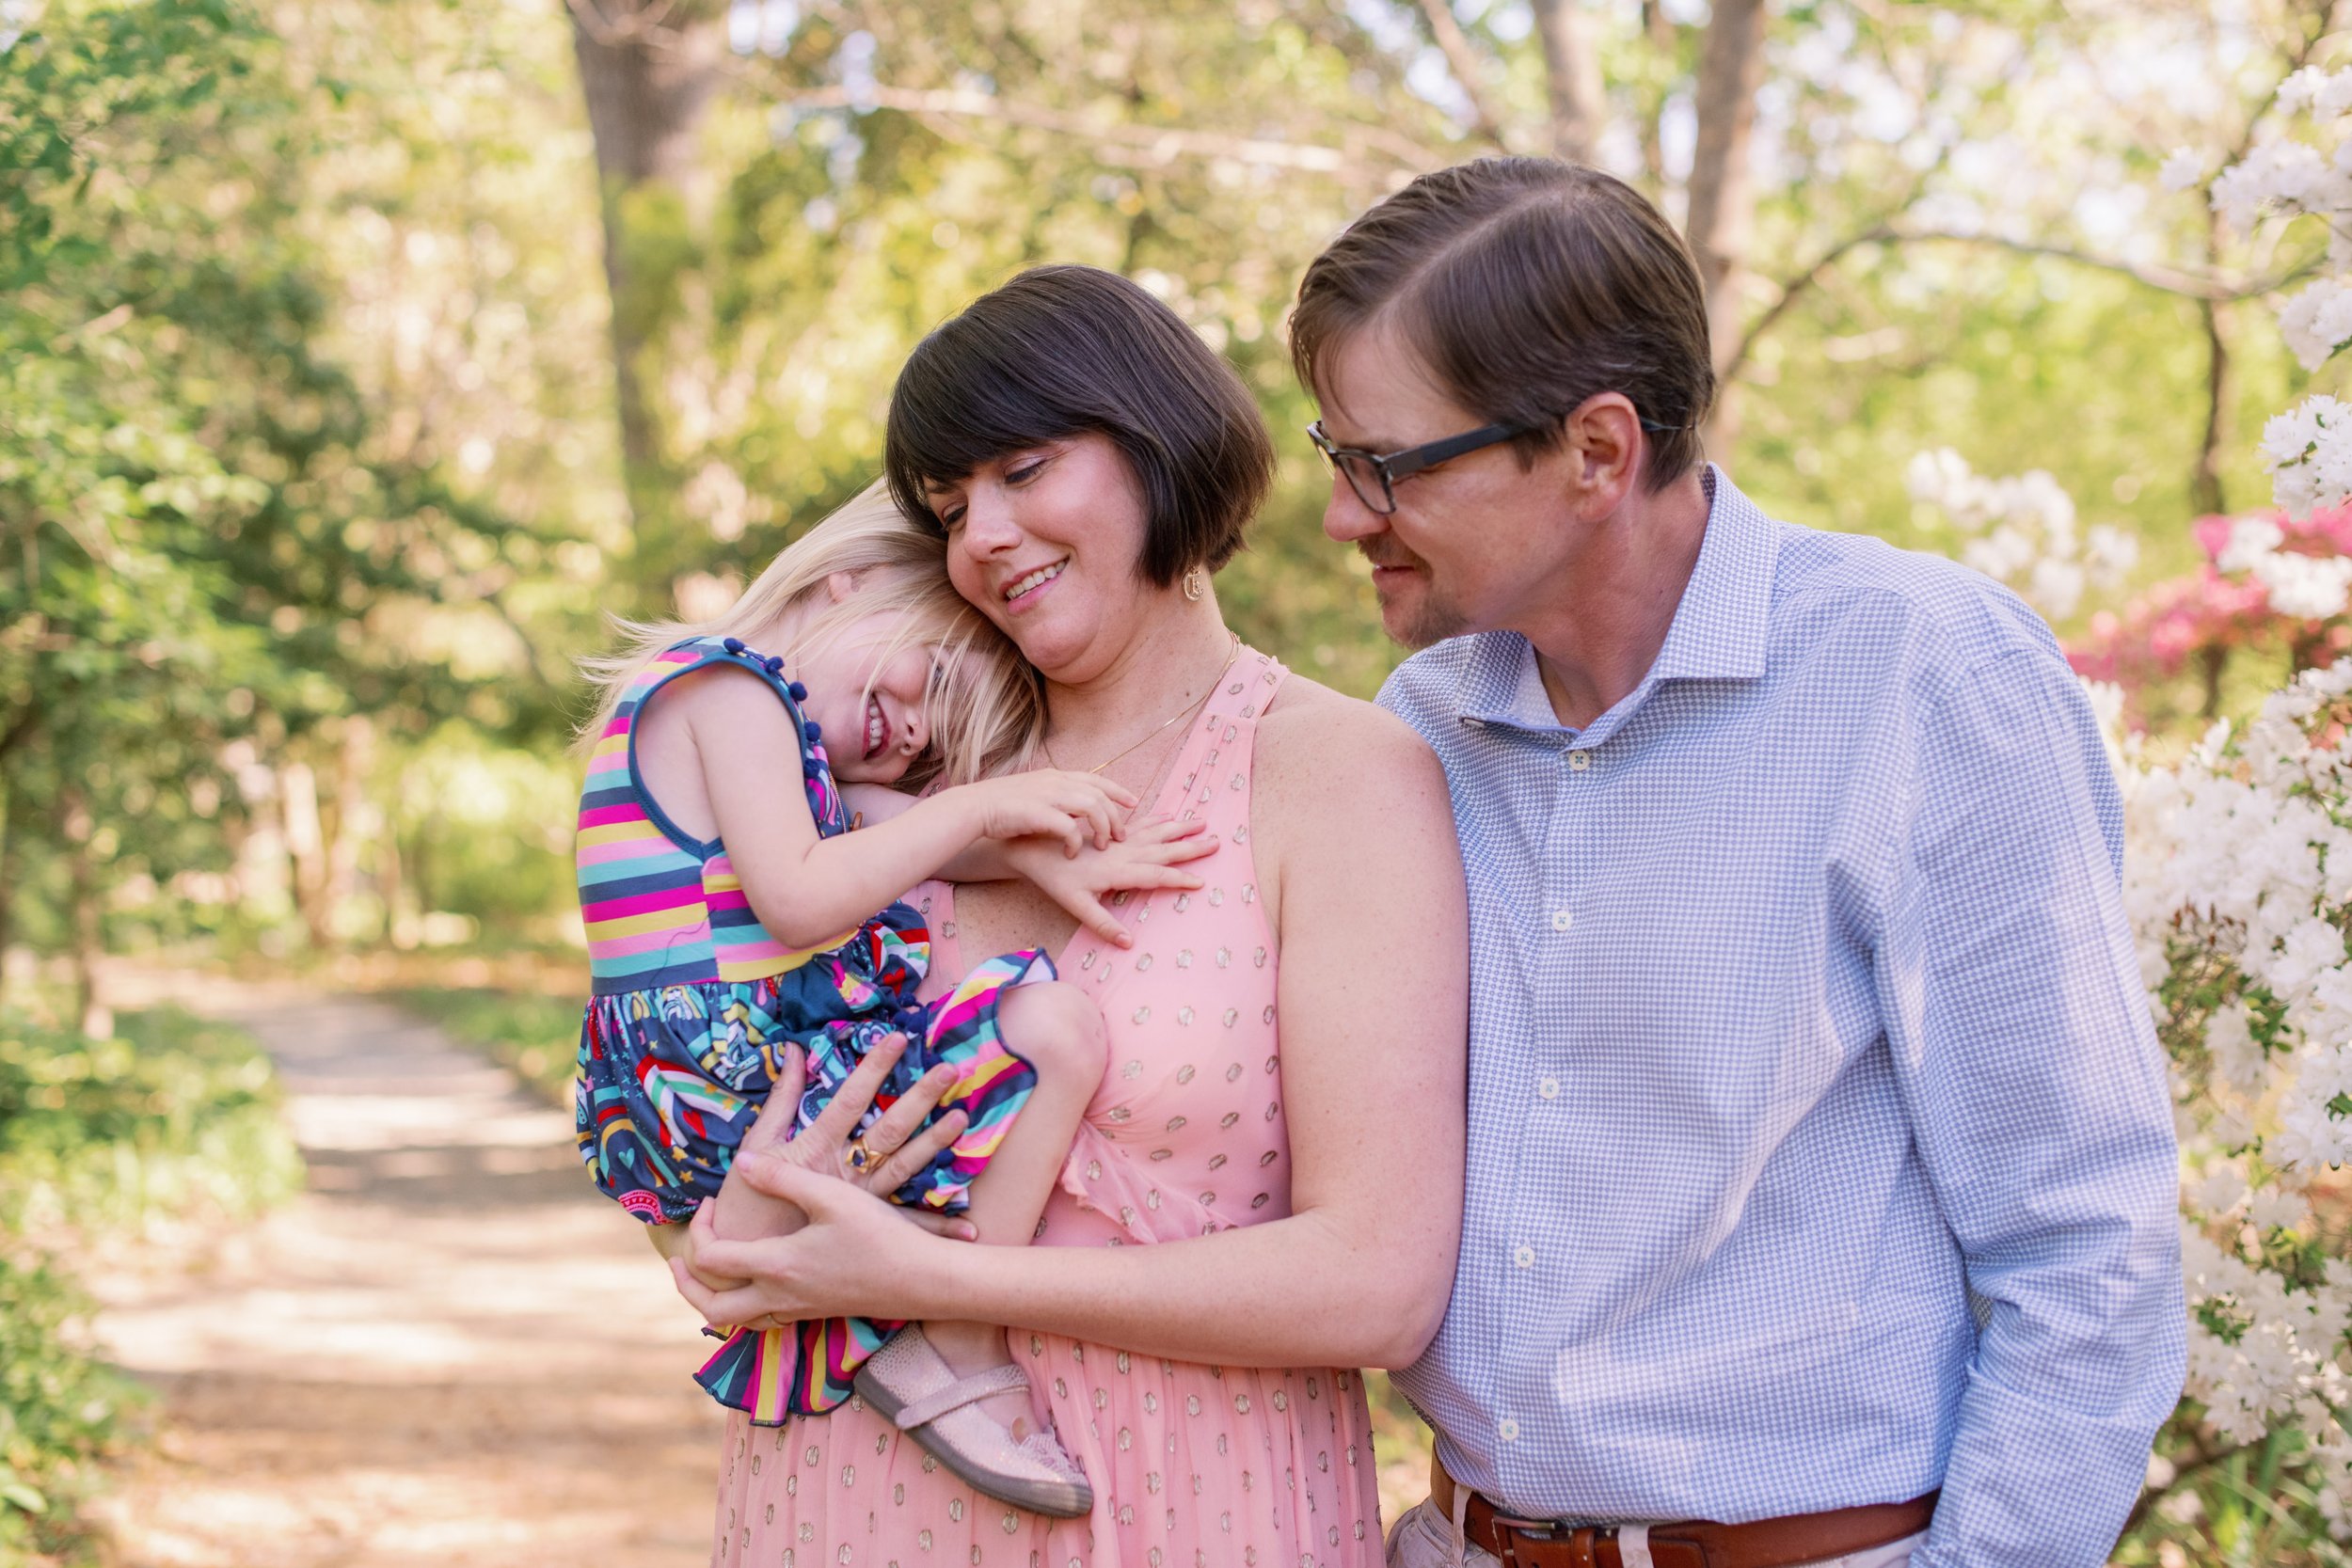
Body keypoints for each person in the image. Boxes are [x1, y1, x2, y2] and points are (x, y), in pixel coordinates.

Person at [1287, 156, 2185, 1568]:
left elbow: (2087, 1244)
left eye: (1382, 464)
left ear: (1596, 451)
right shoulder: (1424, 732)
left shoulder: (1926, 679)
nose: (1345, 512)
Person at [662, 263, 1470, 1568]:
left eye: (1025, 468)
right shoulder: (902, 781)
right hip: (835, 1500)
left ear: (1158, 445)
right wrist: (722, 1236)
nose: (981, 533)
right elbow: (718, 1096)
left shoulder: (1336, 774)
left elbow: (1376, 1280)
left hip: (1186, 1501)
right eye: (948, 504)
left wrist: (937, 1283)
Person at [569, 483, 1226, 1516]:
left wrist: (1039, 858)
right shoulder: (725, 690)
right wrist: (976, 799)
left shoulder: (784, 736)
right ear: (856, 578)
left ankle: (829, 1284)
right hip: (728, 1088)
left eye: (932, 750)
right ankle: (953, 1341)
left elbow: (908, 836)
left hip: (694, 1102)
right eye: (937, 677)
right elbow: (798, 895)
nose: (910, 735)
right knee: (1054, 1027)